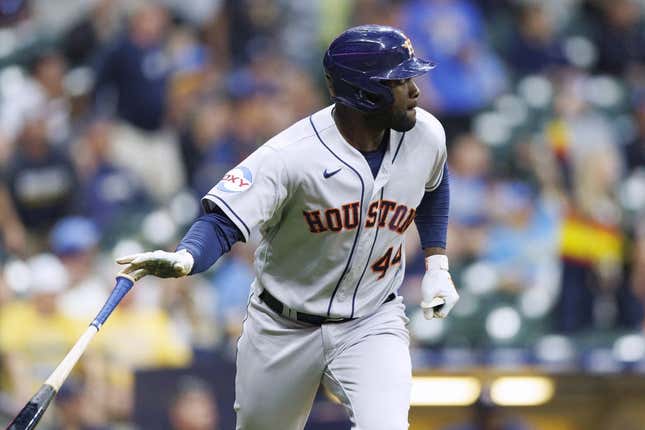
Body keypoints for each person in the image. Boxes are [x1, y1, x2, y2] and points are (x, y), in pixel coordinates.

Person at [117, 25, 459, 430]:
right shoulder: (291, 155)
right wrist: (186, 257)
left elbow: (433, 184)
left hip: (372, 319)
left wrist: (437, 263)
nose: (416, 91)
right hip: (283, 327)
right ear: (365, 93)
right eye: (400, 81)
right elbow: (222, 220)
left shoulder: (426, 134)